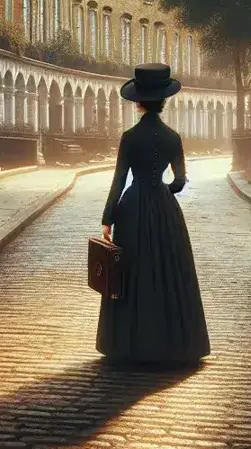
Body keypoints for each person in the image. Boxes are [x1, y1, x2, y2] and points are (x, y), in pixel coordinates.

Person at [97, 63, 211, 365]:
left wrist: (107, 218)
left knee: (131, 271)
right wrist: (162, 193)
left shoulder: (130, 136)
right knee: (167, 268)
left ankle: (129, 344)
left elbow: (119, 180)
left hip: (132, 207)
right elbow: (179, 181)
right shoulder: (174, 137)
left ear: (138, 102)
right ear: (164, 101)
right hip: (163, 206)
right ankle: (171, 343)